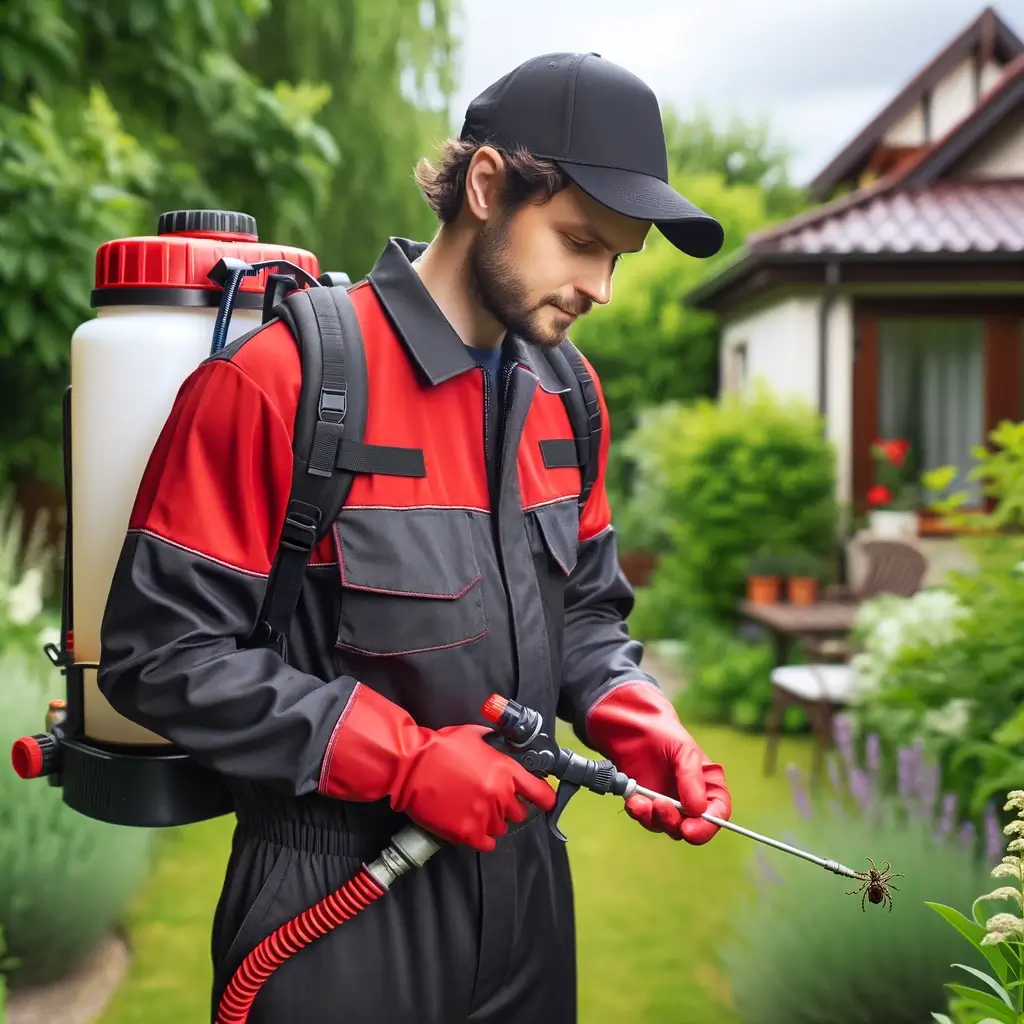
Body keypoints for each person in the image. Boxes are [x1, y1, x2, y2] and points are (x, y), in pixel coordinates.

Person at [97, 51, 733, 1024]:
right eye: (577, 241)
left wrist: (637, 721)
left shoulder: (571, 400)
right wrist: (404, 762)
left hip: (526, 898)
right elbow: (161, 656)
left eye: (618, 254)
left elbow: (589, 615)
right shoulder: (286, 381)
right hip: (333, 906)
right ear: (486, 186)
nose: (600, 285)